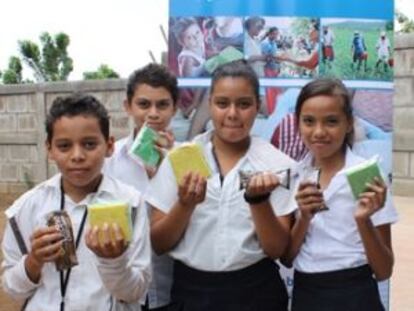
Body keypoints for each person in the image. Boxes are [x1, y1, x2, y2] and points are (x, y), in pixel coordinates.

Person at [146, 60, 296, 311]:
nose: (233, 114)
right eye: (222, 103)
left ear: (258, 106)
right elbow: (159, 243)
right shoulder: (181, 158)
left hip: (256, 293)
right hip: (191, 293)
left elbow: (277, 249)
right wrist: (185, 205)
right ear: (209, 104)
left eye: (244, 104)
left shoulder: (276, 163)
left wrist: (259, 202)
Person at [1, 94, 151, 311]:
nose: (77, 155)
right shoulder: (28, 207)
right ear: (49, 149)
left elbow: (136, 292)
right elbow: (12, 289)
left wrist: (114, 261)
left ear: (109, 146)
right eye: (64, 146)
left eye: (89, 144)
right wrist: (33, 261)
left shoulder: (131, 204)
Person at [282, 78, 398, 311]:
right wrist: (303, 218)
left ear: (348, 124)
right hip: (307, 293)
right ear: (298, 124)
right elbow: (286, 258)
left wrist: (363, 220)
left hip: (356, 293)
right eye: (309, 121)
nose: (319, 132)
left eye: (331, 121)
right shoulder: (294, 175)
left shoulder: (366, 176)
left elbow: (384, 269)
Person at [104, 63, 179, 311]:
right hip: (124, 294)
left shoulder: (187, 160)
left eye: (163, 105)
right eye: (144, 104)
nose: (153, 114)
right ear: (128, 106)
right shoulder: (110, 162)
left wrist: (165, 172)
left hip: (174, 288)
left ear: (175, 108)